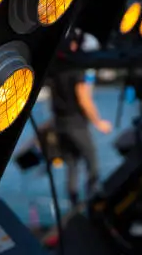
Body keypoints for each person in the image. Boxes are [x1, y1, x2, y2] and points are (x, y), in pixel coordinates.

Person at [49, 29, 112, 207]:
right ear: (74, 45)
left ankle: (74, 205)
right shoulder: (76, 68)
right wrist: (99, 122)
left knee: (71, 163)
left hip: (60, 123)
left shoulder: (56, 68)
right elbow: (84, 98)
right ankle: (94, 201)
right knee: (91, 158)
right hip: (75, 123)